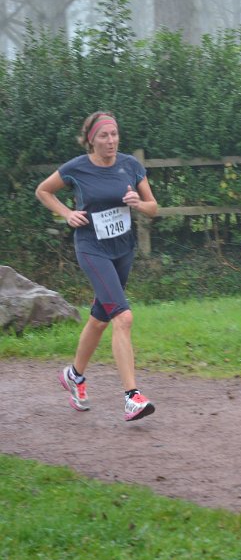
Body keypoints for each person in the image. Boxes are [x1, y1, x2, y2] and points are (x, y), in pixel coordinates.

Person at [35, 111, 159, 422]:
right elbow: (43, 190)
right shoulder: (77, 168)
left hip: (123, 249)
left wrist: (138, 203)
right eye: (104, 135)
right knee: (123, 317)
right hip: (92, 249)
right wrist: (67, 213)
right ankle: (132, 397)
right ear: (91, 140)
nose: (111, 140)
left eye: (114, 134)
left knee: (100, 319)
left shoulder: (130, 165)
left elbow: (153, 208)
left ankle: (74, 375)